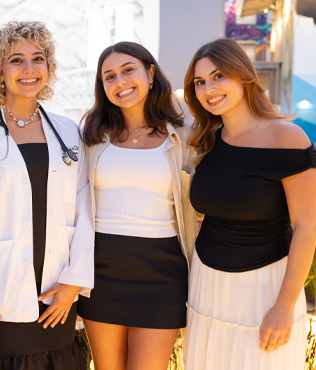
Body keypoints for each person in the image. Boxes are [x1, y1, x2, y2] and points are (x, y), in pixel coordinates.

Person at [0, 20, 94, 370]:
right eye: (16, 60)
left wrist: (74, 280)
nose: (28, 69)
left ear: (49, 68)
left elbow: (85, 210)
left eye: (38, 59)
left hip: (57, 290)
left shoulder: (68, 132)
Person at [182, 38, 316, 370]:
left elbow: (308, 226)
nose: (208, 88)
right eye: (200, 82)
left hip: (265, 289)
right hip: (206, 286)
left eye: (218, 76)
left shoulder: (287, 137)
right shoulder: (207, 141)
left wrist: (284, 306)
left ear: (243, 76)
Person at [77, 41, 198, 370]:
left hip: (162, 273)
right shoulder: (90, 138)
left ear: (150, 72)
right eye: (109, 77)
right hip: (101, 270)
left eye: (128, 70)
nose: (120, 82)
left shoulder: (185, 137)